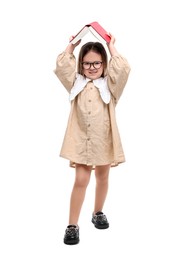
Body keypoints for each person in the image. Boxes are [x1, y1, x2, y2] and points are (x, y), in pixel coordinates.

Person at [54, 32, 131, 245]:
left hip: (103, 139)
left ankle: (97, 212)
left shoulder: (111, 85)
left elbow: (123, 68)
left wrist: (111, 46)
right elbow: (62, 67)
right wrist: (70, 47)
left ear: (104, 63)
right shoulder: (75, 82)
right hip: (81, 140)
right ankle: (72, 225)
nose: (92, 67)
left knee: (103, 177)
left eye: (97, 62)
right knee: (80, 180)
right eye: (87, 63)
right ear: (81, 65)